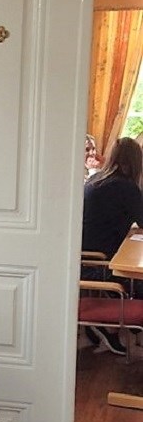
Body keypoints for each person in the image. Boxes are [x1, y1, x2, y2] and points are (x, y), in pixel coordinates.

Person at [81, 136, 143, 353]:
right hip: (102, 264)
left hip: (86, 258)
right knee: (139, 283)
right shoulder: (126, 187)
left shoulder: (96, 179)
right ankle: (113, 327)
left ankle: (108, 327)